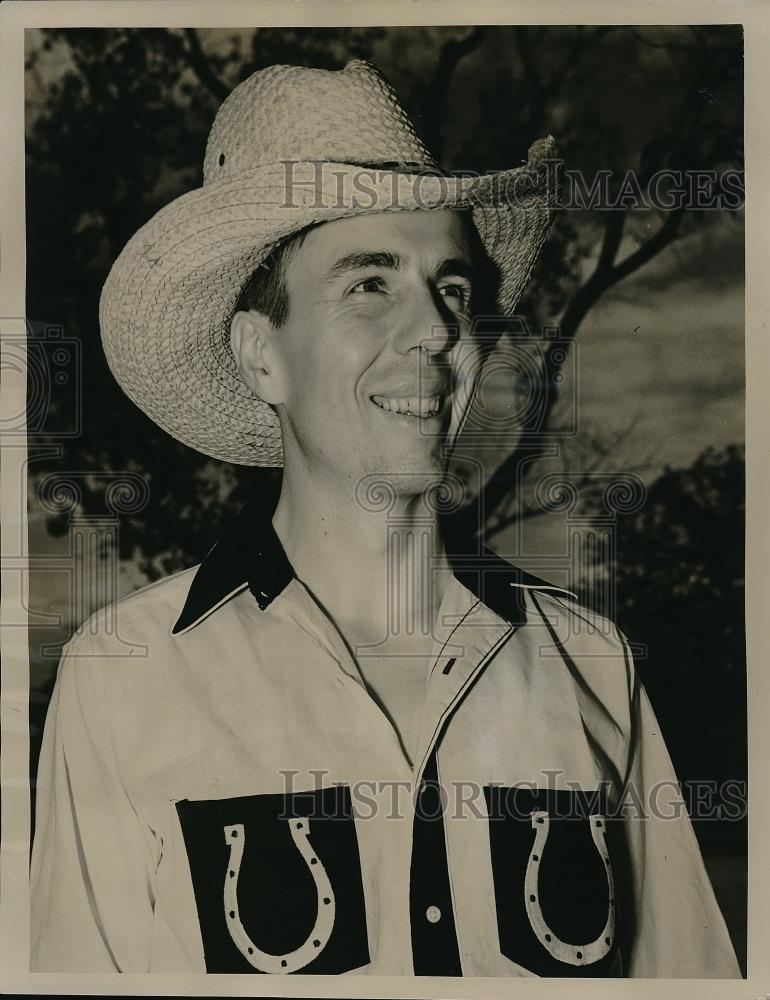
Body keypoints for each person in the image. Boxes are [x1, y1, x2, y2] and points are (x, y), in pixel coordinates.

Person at [30, 59, 740, 978]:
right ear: (259, 358)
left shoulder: (594, 668)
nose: (439, 331)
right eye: (371, 284)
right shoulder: (124, 679)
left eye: (451, 288)